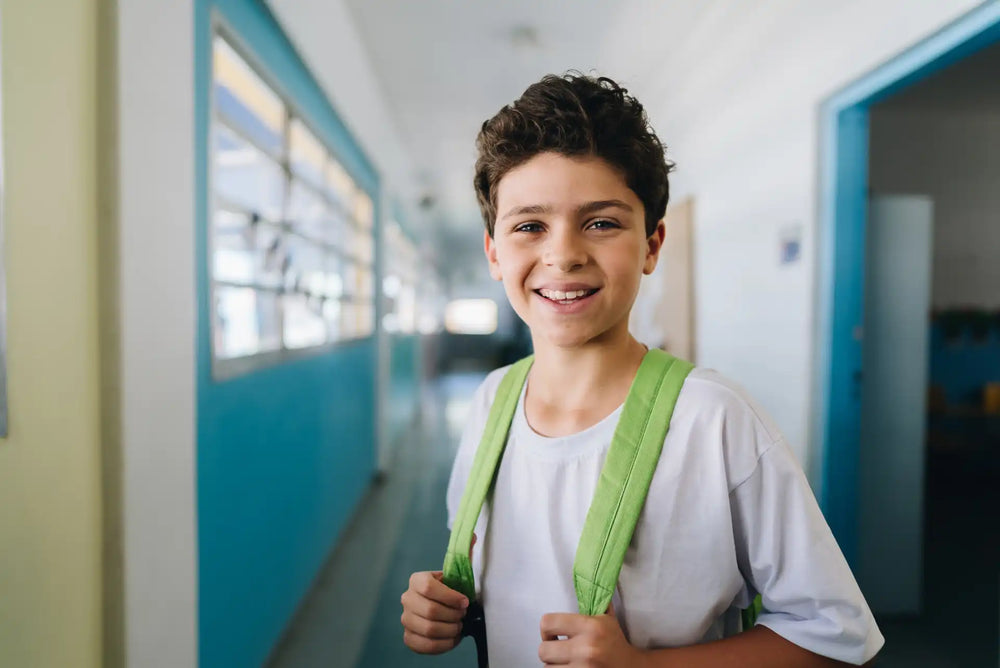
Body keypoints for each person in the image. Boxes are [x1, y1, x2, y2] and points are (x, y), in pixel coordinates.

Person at [400, 73, 883, 667]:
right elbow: (499, 572)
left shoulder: (713, 420)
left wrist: (644, 666)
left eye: (601, 222)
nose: (563, 255)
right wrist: (447, 605)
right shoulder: (492, 400)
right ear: (494, 252)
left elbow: (837, 638)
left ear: (652, 245)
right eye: (529, 226)